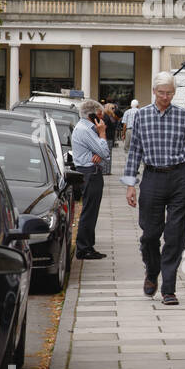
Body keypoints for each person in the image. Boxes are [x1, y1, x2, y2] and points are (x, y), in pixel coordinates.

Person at [123, 71, 185, 306]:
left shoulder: (182, 116)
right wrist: (131, 184)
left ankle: (168, 288)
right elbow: (135, 151)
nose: (165, 97)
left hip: (180, 176)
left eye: (169, 93)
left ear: (174, 93)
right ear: (154, 92)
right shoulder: (141, 116)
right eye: (161, 93)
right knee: (150, 234)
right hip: (152, 176)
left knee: (176, 234)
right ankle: (152, 271)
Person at [71, 99, 110, 260]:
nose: (102, 119)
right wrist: (102, 134)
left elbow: (101, 153)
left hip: (90, 171)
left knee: (91, 211)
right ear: (92, 115)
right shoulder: (85, 130)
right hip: (89, 173)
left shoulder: (85, 128)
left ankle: (88, 245)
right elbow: (105, 152)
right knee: (89, 211)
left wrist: (99, 152)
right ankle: (84, 247)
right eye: (100, 115)